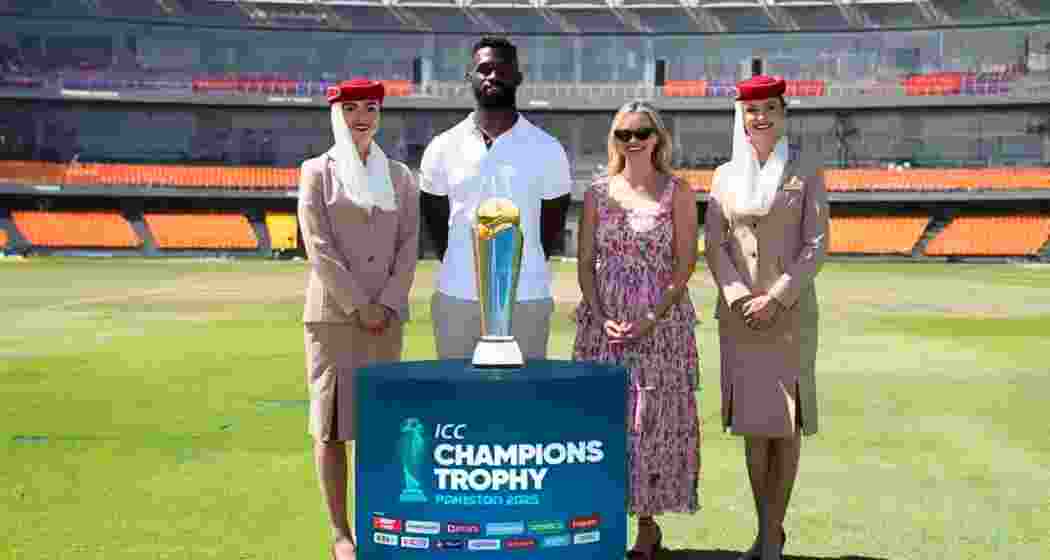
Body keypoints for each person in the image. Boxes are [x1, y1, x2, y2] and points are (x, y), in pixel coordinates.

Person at [703, 75, 828, 560]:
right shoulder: (723, 175)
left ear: (782, 113)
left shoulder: (807, 170)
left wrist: (776, 297)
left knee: (786, 426)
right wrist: (737, 296)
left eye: (769, 108)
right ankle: (766, 532)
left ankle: (772, 534)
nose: (760, 117)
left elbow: (817, 246)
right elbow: (713, 244)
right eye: (752, 109)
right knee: (755, 429)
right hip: (740, 319)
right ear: (741, 116)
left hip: (789, 315)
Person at [297, 78, 420, 560]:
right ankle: (341, 534)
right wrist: (358, 305)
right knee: (330, 428)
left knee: (378, 428)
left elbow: (409, 246)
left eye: (370, 107)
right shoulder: (316, 172)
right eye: (351, 108)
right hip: (333, 319)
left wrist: (387, 303)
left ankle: (377, 524)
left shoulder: (401, 176)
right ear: (337, 113)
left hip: (386, 321)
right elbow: (319, 247)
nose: (361, 117)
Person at [572, 100, 701, 560]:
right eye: (623, 133)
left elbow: (685, 264)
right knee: (604, 421)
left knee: (651, 424)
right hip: (603, 321)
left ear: (658, 138)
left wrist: (650, 317)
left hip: (660, 324)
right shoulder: (597, 193)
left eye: (641, 132)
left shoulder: (679, 192)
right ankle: (602, 521)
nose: (632, 141)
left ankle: (647, 527)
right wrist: (599, 311)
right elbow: (586, 262)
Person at [419, 36, 572, 360]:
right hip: (458, 296)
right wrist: (467, 261)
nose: (492, 76)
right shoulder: (442, 147)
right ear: (470, 78)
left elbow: (551, 229)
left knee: (521, 404)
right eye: (483, 69)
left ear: (517, 77)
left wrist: (513, 264)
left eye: (501, 69)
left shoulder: (547, 148)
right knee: (457, 403)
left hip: (526, 297)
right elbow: (436, 225)